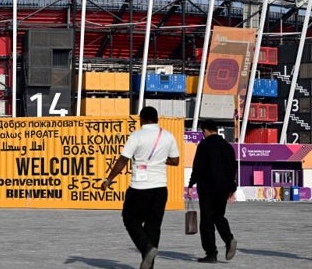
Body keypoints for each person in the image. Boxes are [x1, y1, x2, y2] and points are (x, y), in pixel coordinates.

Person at [101, 106, 180, 269]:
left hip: (140, 187)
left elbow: (123, 160)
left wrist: (108, 179)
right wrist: (157, 161)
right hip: (160, 188)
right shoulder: (168, 136)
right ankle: (148, 265)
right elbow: (175, 161)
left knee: (129, 218)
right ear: (157, 119)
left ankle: (146, 248)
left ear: (141, 119)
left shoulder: (137, 135)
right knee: (154, 226)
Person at [188, 120, 237, 263]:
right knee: (218, 216)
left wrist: (191, 184)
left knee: (206, 221)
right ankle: (229, 239)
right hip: (223, 189)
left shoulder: (204, 145)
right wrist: (232, 188)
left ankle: (211, 254)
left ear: (205, 130)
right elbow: (232, 169)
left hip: (208, 188)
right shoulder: (228, 147)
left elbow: (198, 166)